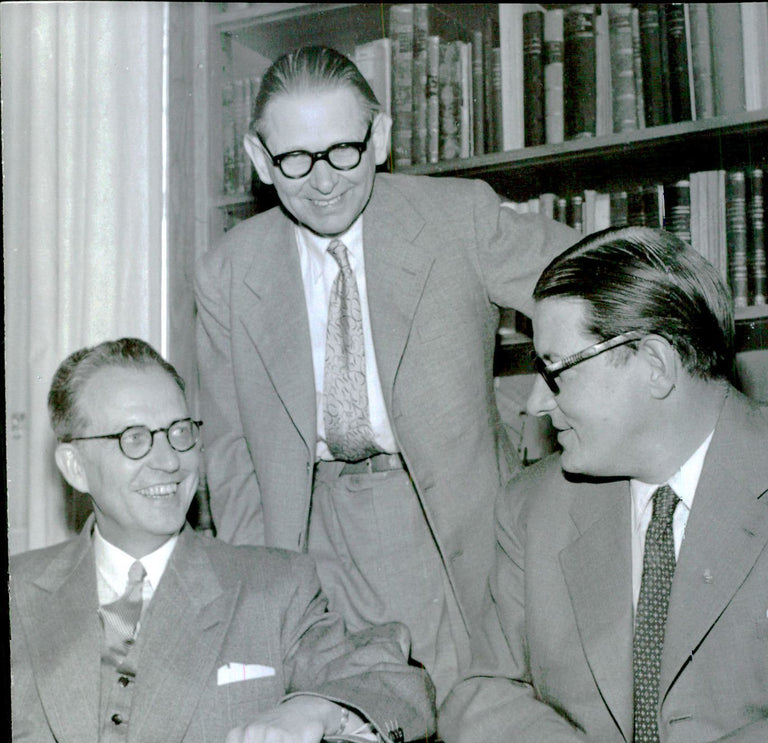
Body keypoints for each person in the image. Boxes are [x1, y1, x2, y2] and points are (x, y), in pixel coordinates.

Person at [417, 227, 768, 743]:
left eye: (558, 370)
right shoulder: (534, 506)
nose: (536, 403)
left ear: (653, 364)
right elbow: (484, 689)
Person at [194, 45, 579, 701]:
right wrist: (264, 592)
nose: (323, 181)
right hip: (309, 535)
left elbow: (611, 280)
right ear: (260, 159)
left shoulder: (459, 218)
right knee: (339, 729)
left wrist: (555, 385)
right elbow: (231, 456)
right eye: (295, 159)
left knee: (478, 721)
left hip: (448, 527)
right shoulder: (228, 271)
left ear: (380, 138)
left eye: (344, 150)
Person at [11, 337, 435, 743]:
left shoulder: (270, 584)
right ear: (75, 466)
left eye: (179, 432)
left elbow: (396, 681)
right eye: (134, 438)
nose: (169, 461)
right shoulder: (17, 593)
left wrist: (310, 710)